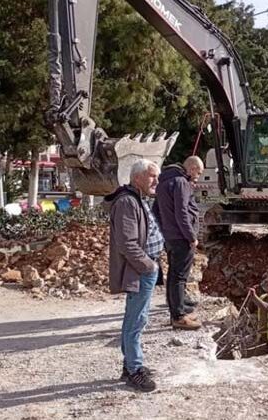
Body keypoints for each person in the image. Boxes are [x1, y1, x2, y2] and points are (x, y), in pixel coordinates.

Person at [104, 159, 163, 392]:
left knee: (135, 318)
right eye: (152, 176)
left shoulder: (136, 198)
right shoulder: (127, 202)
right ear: (137, 177)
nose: (156, 181)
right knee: (136, 321)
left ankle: (130, 365)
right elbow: (127, 243)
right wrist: (148, 265)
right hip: (140, 270)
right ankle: (134, 370)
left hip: (145, 269)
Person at [154, 156, 204, 330]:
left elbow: (156, 211)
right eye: (198, 172)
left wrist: (165, 231)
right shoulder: (181, 182)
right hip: (181, 237)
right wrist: (191, 236)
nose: (198, 176)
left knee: (174, 276)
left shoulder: (164, 181)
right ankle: (179, 316)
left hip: (170, 236)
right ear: (191, 168)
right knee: (179, 276)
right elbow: (182, 213)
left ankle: (178, 308)